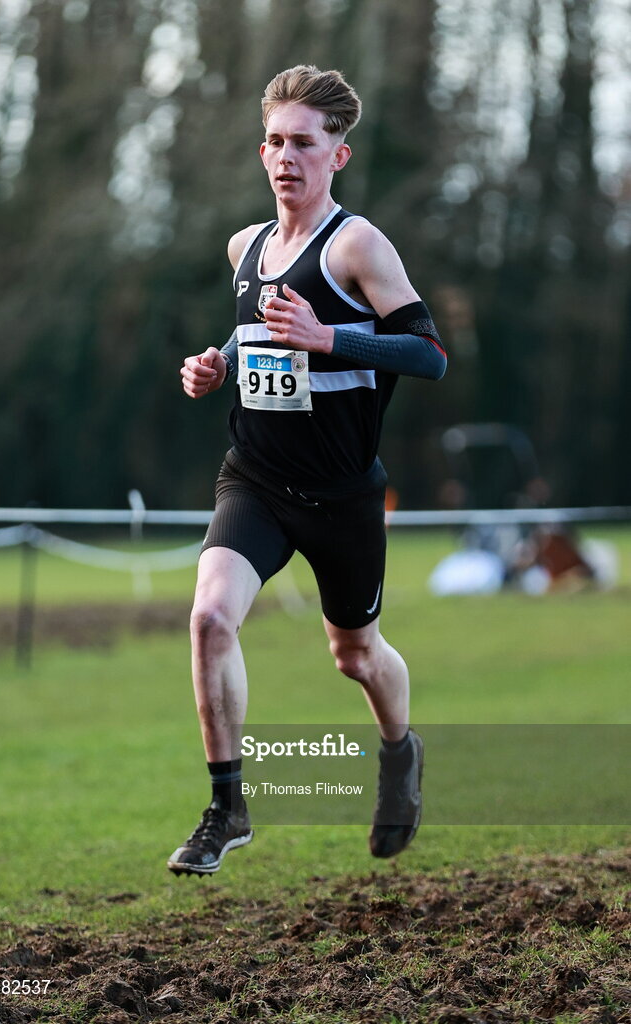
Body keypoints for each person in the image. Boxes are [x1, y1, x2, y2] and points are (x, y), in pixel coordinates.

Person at [170, 65, 446, 876]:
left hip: (342, 493)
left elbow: (429, 354)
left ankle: (400, 754)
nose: (288, 157)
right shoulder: (245, 246)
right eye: (277, 143)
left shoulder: (357, 245)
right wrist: (217, 362)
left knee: (354, 655)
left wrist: (333, 339)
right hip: (253, 480)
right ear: (262, 152)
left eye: (306, 143)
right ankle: (227, 807)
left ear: (339, 156)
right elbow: (255, 331)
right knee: (210, 619)